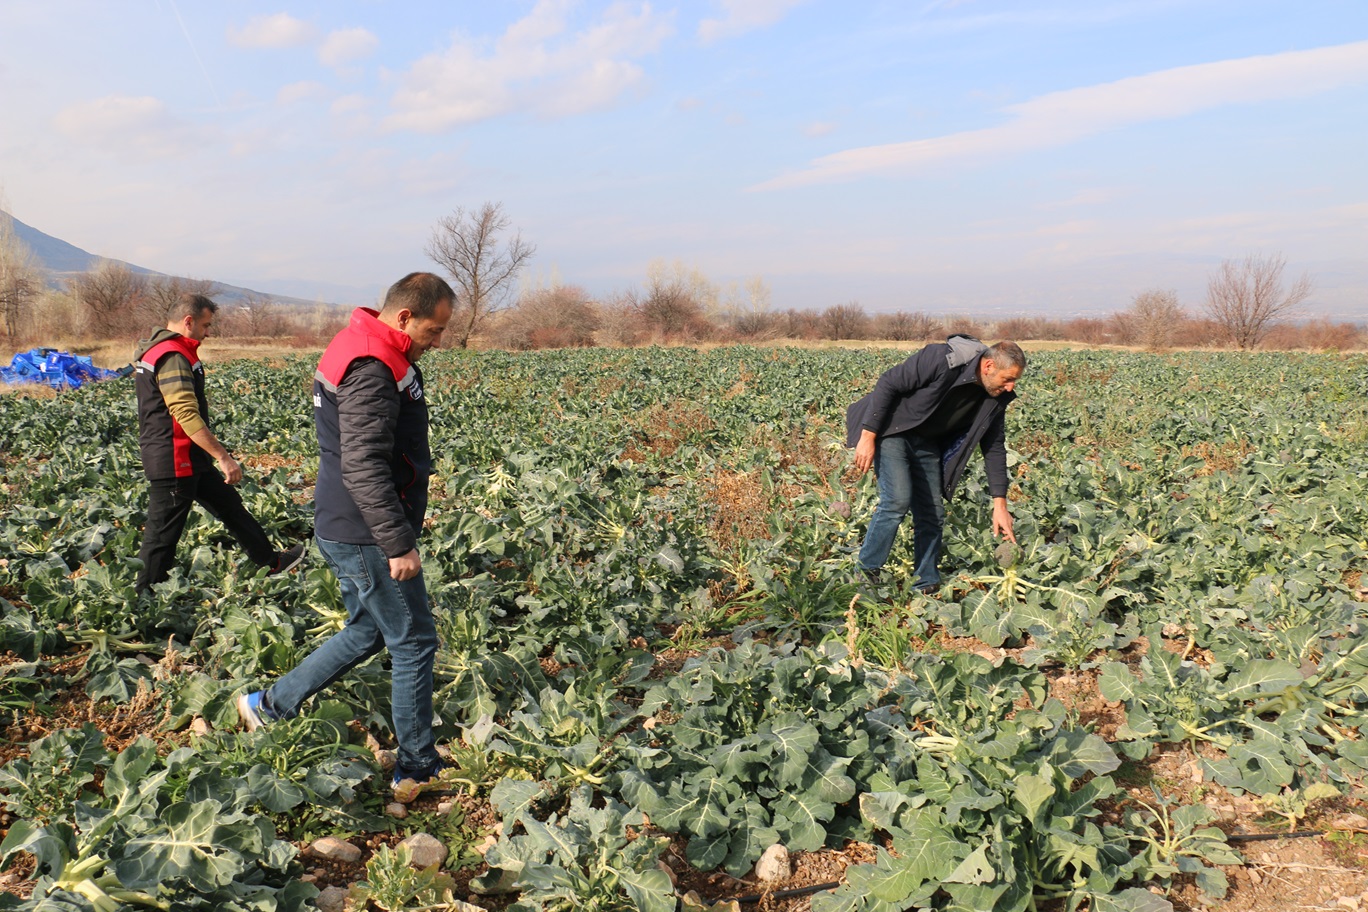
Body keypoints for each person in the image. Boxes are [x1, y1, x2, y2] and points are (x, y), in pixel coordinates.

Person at [237, 272, 455, 790]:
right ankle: (417, 767)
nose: (439, 341)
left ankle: (268, 705)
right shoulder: (373, 365)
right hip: (366, 532)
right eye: (434, 330)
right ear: (404, 317)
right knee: (415, 641)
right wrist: (396, 542)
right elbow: (362, 464)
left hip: (346, 522)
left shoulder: (361, 342)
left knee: (368, 629)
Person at [134, 294, 304, 594]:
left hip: (190, 457)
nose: (208, 332)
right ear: (188, 322)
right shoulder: (172, 355)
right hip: (174, 459)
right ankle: (145, 599)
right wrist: (223, 457)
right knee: (162, 535)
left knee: (231, 508)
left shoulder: (170, 350)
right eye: (205, 325)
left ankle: (272, 562)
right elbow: (184, 412)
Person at [846, 335, 1026, 592]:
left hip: (927, 442)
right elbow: (889, 382)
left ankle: (926, 581)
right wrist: (868, 435)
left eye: (1014, 381)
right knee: (897, 500)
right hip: (893, 430)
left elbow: (994, 448)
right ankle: (864, 573)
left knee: (932, 512)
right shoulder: (942, 359)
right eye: (1007, 379)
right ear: (988, 367)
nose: (1010, 387)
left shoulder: (995, 399)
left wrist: (1000, 505)